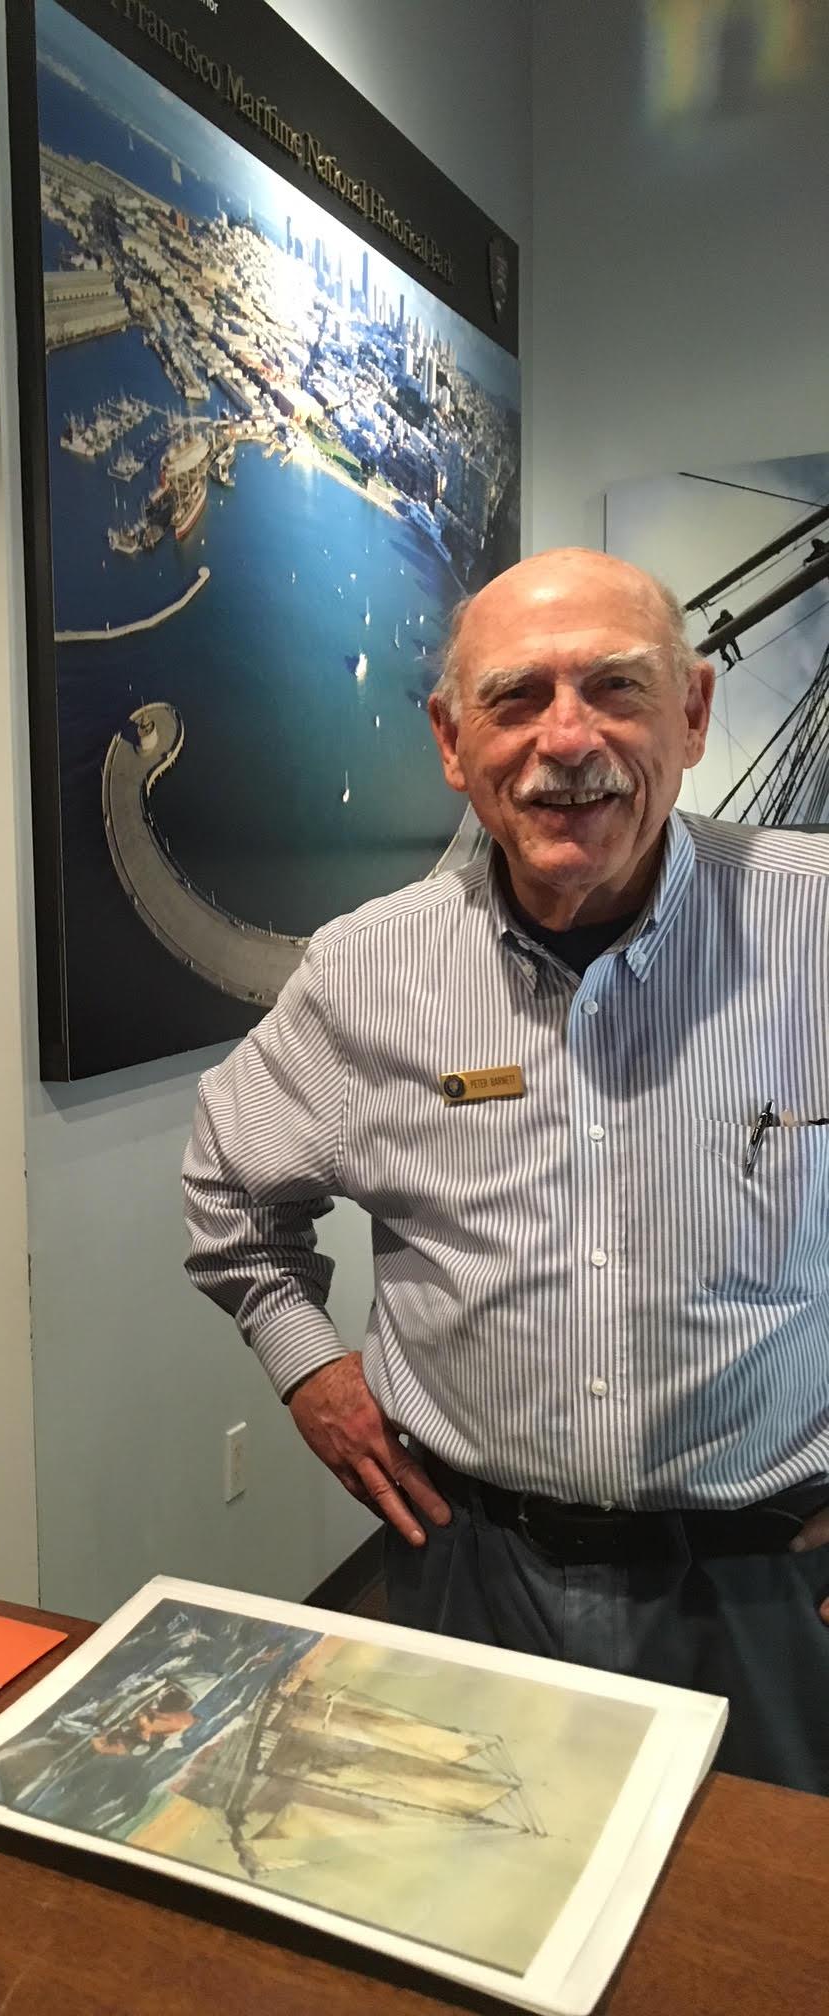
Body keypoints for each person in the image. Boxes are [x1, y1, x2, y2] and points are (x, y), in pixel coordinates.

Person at [183, 546, 829, 1794]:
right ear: (450, 737)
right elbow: (228, 1196)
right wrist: (310, 1368)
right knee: (472, 1944)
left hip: (770, 1591)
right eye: (517, 697)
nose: (565, 740)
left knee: (755, 1961)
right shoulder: (367, 971)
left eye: (617, 690)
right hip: (471, 1578)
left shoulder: (814, 927)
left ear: (693, 712)